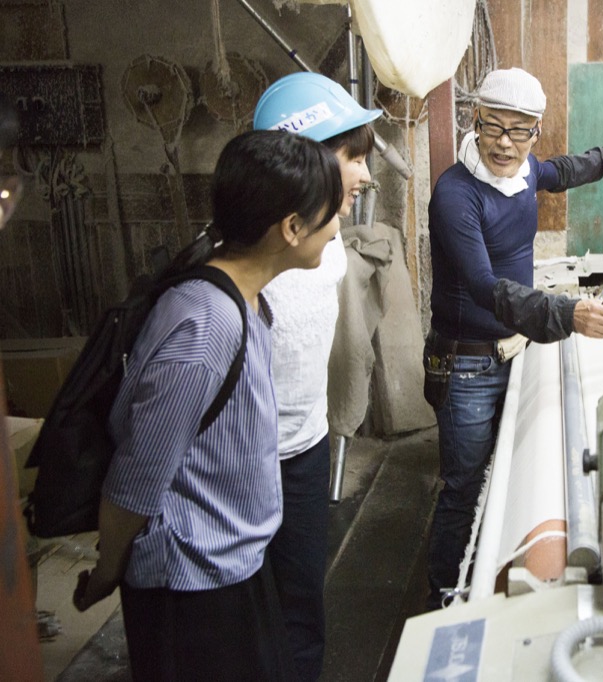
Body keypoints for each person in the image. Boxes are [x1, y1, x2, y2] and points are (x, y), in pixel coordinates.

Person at [72, 129, 344, 681]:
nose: (338, 225)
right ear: (292, 228)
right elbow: (135, 481)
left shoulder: (243, 300)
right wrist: (106, 572)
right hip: (191, 586)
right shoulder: (205, 328)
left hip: (231, 568)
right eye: (332, 212)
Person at [423, 67, 603, 609]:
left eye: (520, 130)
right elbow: (484, 286)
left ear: (535, 130)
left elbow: (561, 170)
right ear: (474, 120)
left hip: (513, 350)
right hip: (468, 367)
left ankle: (493, 562)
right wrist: (565, 314)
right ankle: (443, 596)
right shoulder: (456, 195)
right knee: (463, 488)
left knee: (498, 486)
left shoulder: (524, 170)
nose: (505, 143)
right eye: (494, 127)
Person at [253, 72, 380, 682]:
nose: (365, 173)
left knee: (304, 608)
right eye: (352, 156)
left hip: (305, 449)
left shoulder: (326, 246)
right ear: (301, 160)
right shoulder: (246, 258)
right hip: (241, 465)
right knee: (248, 619)